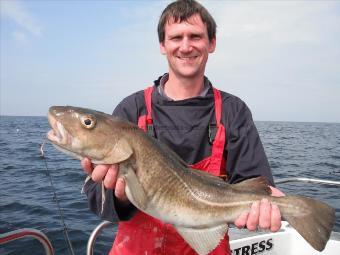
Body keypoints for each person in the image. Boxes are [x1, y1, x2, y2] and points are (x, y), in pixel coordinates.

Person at [81, 0, 284, 254]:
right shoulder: (131, 110)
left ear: (212, 43)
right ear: (162, 45)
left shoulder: (234, 111)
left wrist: (267, 208)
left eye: (195, 36)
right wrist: (120, 196)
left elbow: (253, 184)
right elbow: (96, 200)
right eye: (176, 37)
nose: (186, 46)